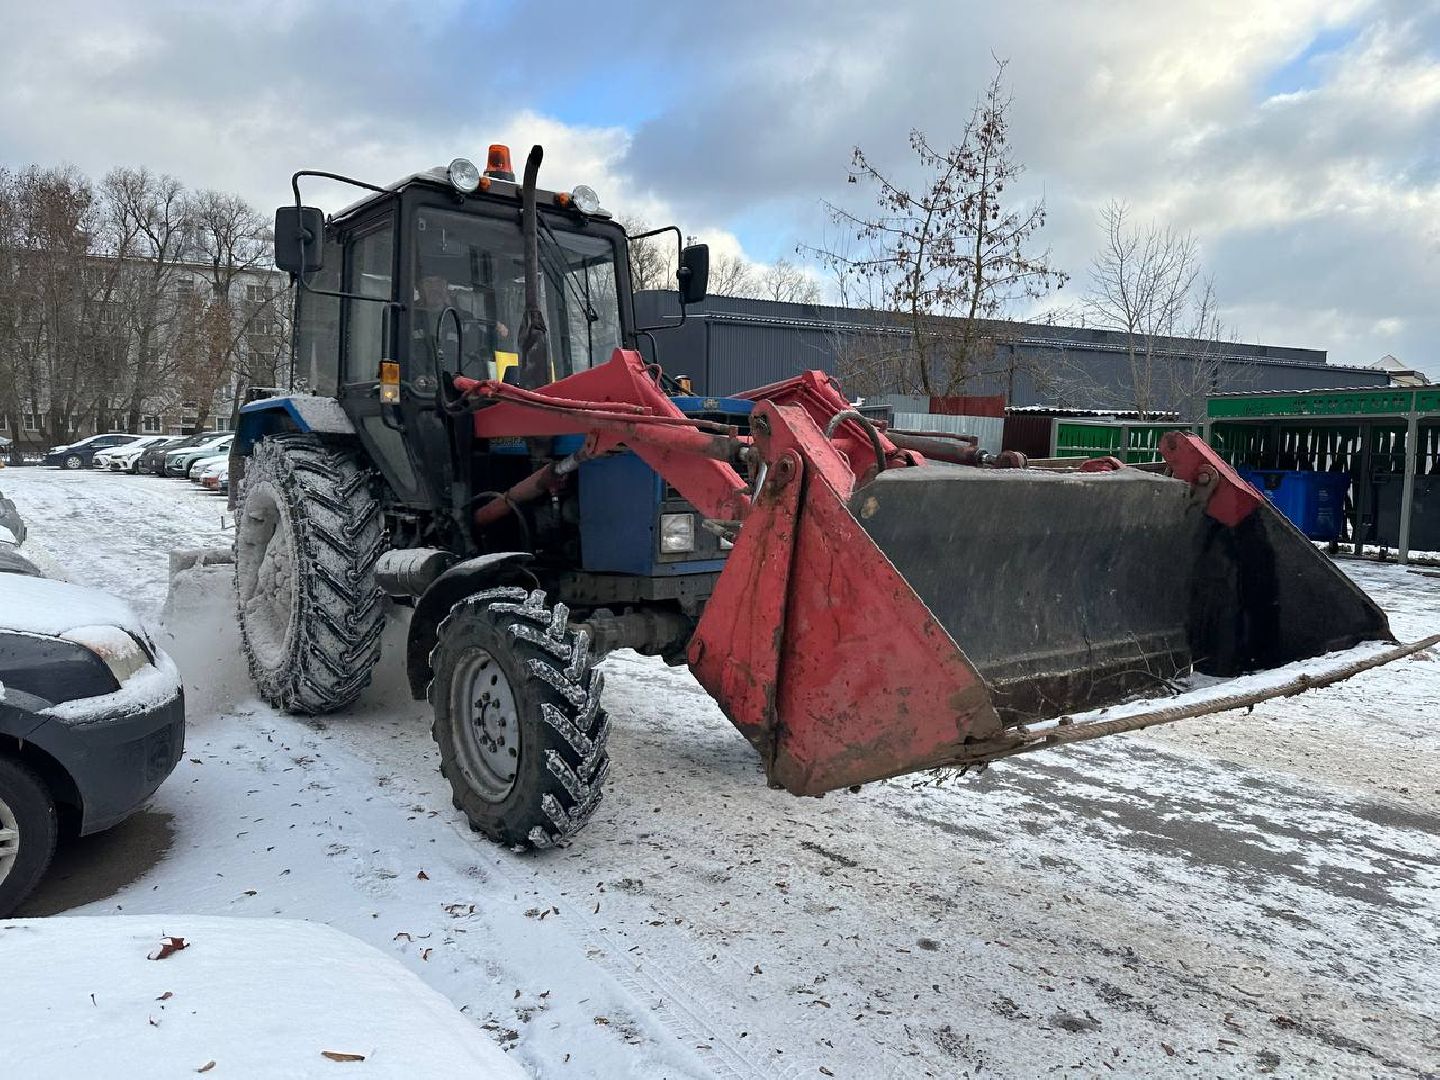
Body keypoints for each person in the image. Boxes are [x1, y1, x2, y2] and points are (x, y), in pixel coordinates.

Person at [413, 273, 511, 377]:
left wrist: (499, 333)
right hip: (415, 383)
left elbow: (482, 344)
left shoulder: (463, 319)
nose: (434, 288)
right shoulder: (405, 316)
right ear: (418, 287)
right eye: (428, 282)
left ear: (446, 286)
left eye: (439, 282)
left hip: (456, 381)